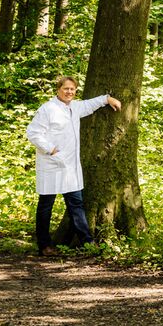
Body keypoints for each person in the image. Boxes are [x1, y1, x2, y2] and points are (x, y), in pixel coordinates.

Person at [26, 76, 121, 256]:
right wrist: (52, 150)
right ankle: (44, 245)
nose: (69, 92)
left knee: (76, 204)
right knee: (46, 205)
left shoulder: (74, 107)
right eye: (66, 88)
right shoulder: (48, 109)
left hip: (70, 167)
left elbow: (90, 104)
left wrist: (107, 99)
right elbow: (33, 133)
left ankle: (87, 241)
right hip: (51, 164)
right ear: (58, 89)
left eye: (72, 89)